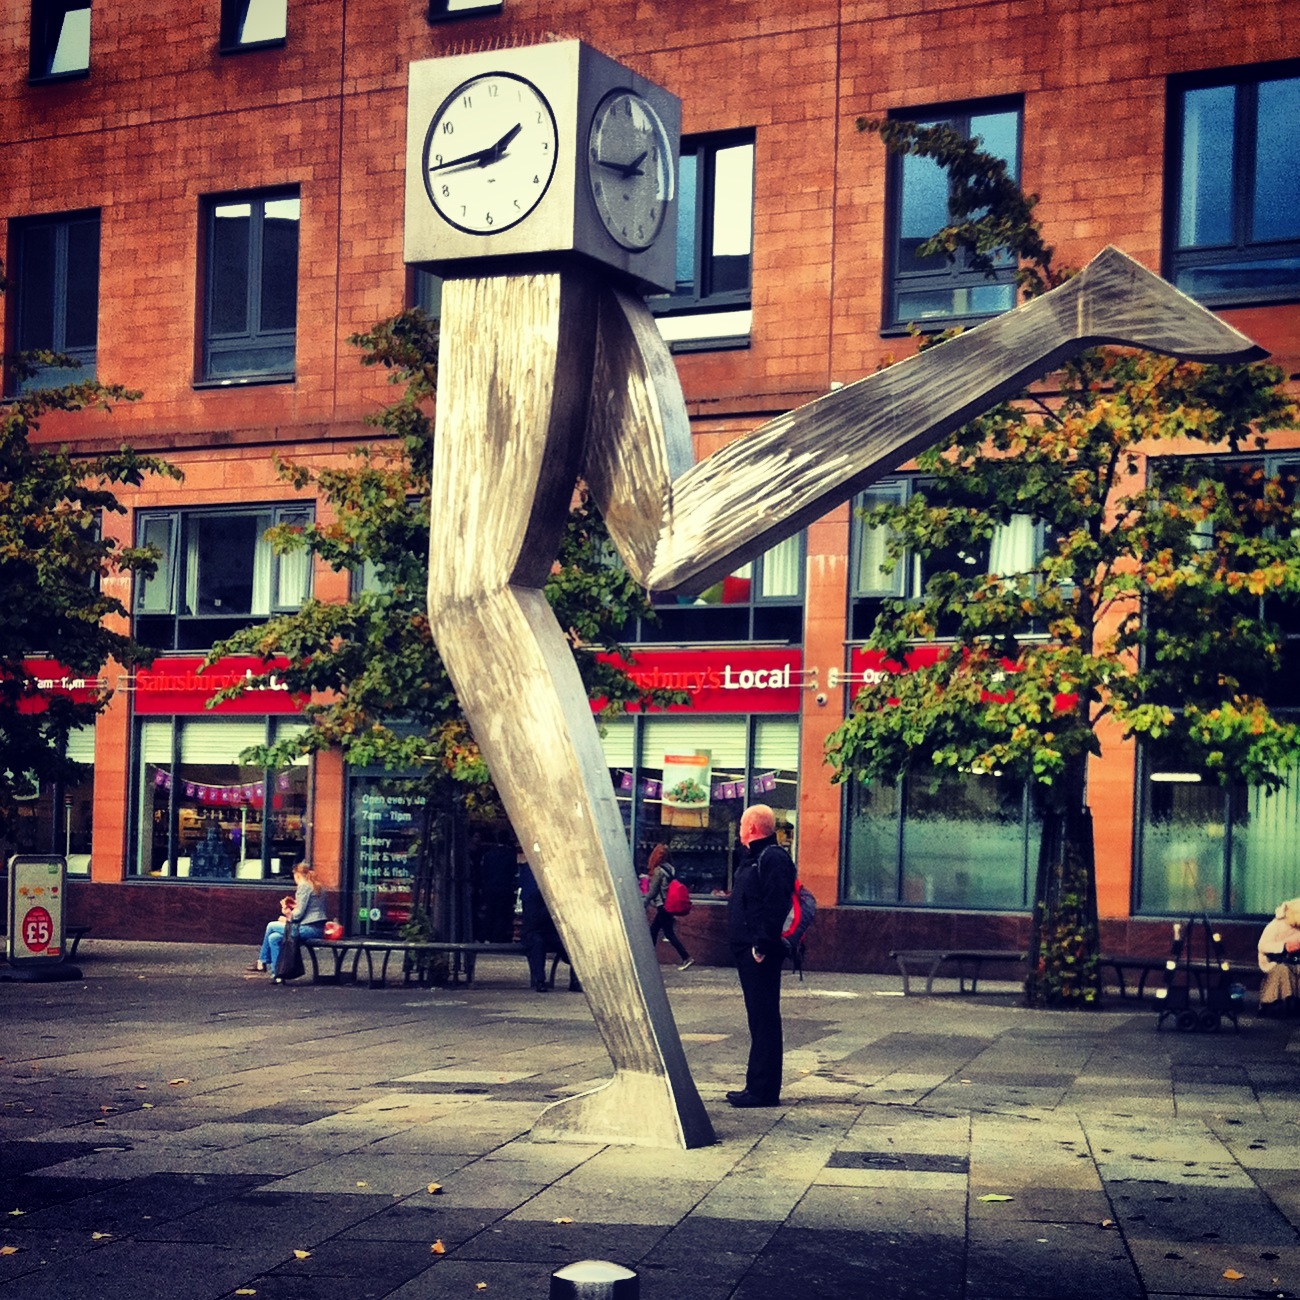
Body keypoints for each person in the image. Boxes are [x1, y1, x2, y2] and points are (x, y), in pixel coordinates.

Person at [726, 803, 796, 1108]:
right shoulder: (754, 857)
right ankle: (756, 1085)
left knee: (764, 1018)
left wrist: (762, 946)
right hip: (749, 949)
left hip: (759, 952)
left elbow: (775, 904)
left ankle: (763, 1091)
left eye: (743, 825)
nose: (740, 830)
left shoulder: (773, 857)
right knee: (758, 1018)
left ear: (752, 827)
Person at [255, 861, 328, 979]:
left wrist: (287, 913)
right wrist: (295, 906)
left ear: (297, 875)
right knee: (273, 938)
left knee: (271, 926)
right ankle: (277, 974)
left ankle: (262, 961)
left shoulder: (303, 886)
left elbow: (298, 915)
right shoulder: (318, 887)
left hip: (307, 929)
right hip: (318, 928)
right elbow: (311, 908)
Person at [519, 860, 581, 993]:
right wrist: (551, 910)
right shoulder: (534, 897)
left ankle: (575, 981)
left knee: (573, 945)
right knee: (537, 944)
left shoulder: (558, 899)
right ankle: (539, 981)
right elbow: (533, 920)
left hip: (550, 933)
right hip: (534, 932)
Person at [645, 843, 693, 970]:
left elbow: (653, 891)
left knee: (668, 933)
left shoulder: (658, 871)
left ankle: (686, 957)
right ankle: (649, 959)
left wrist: (645, 903)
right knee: (654, 930)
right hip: (668, 904)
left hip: (662, 905)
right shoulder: (671, 869)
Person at [1257, 899, 1300, 1016]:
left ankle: (1294, 1003)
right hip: (1276, 961)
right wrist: (1284, 947)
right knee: (1282, 971)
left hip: (1295, 961)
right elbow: (1263, 946)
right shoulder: (1276, 925)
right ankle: (1276, 1003)